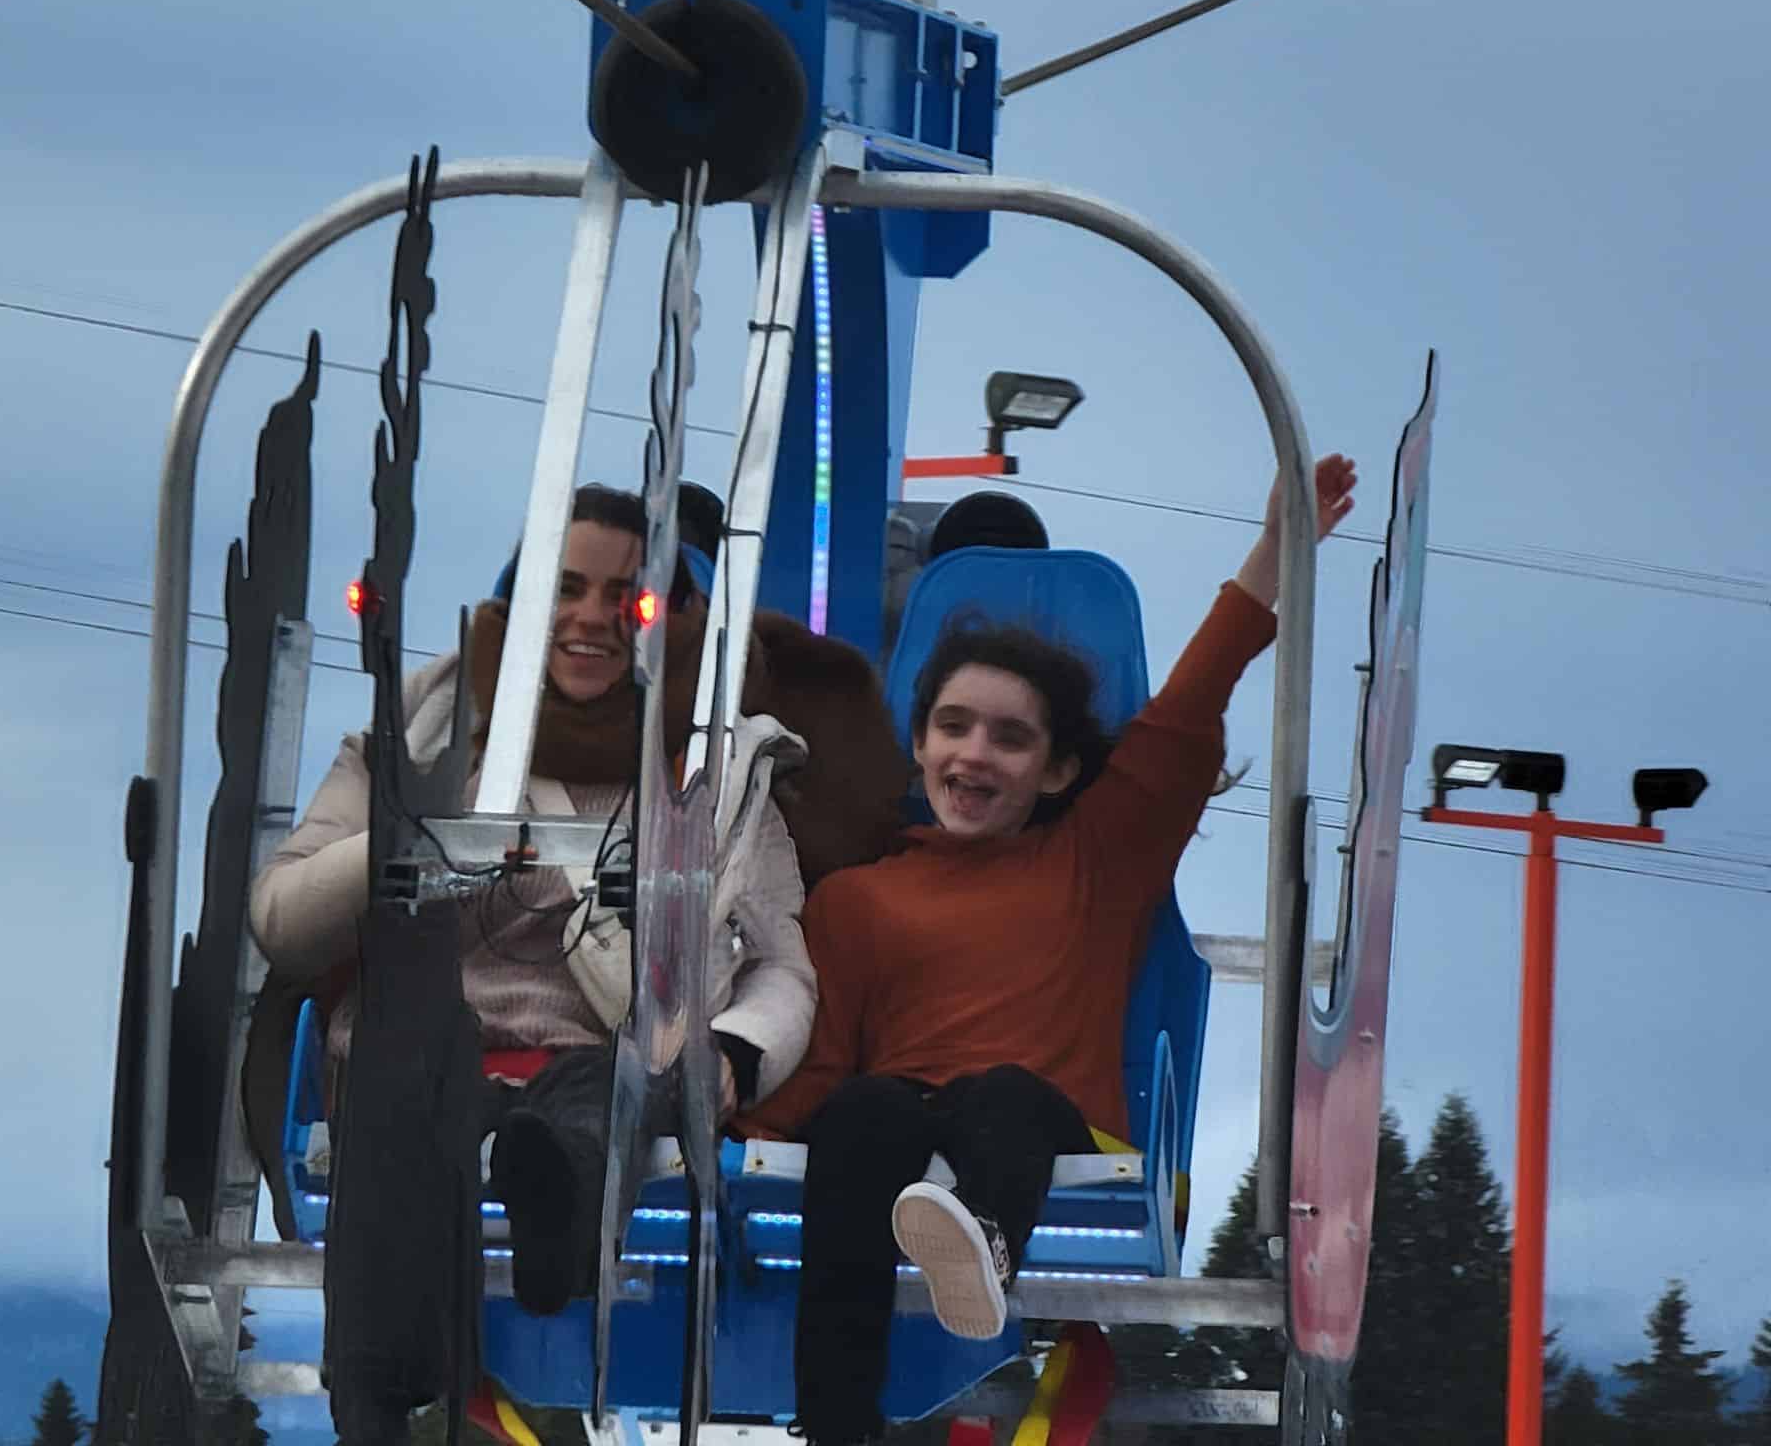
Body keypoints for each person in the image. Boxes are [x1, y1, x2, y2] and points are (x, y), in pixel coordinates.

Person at [737, 456, 1358, 1446]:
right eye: (952, 728)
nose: (974, 754)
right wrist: (727, 1131)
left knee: (1004, 1098)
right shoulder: (857, 898)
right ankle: (836, 1426)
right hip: (897, 1118)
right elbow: (821, 1064)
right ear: (919, 747)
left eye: (1009, 739)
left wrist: (1274, 551)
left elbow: (1186, 710)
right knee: (859, 1114)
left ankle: (978, 1238)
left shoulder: (1092, 862)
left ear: (1058, 767)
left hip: (1042, 1127)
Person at [249, 483, 909, 1336]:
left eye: (625, 596)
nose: (591, 619)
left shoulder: (716, 769)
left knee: (598, 1097)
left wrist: (739, 1053)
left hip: (610, 1063)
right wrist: (413, 838)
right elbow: (282, 920)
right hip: (424, 1049)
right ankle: (390, 1352)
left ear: (672, 618)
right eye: (564, 588)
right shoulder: (421, 736)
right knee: (416, 1095)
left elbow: (782, 960)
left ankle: (557, 1221)